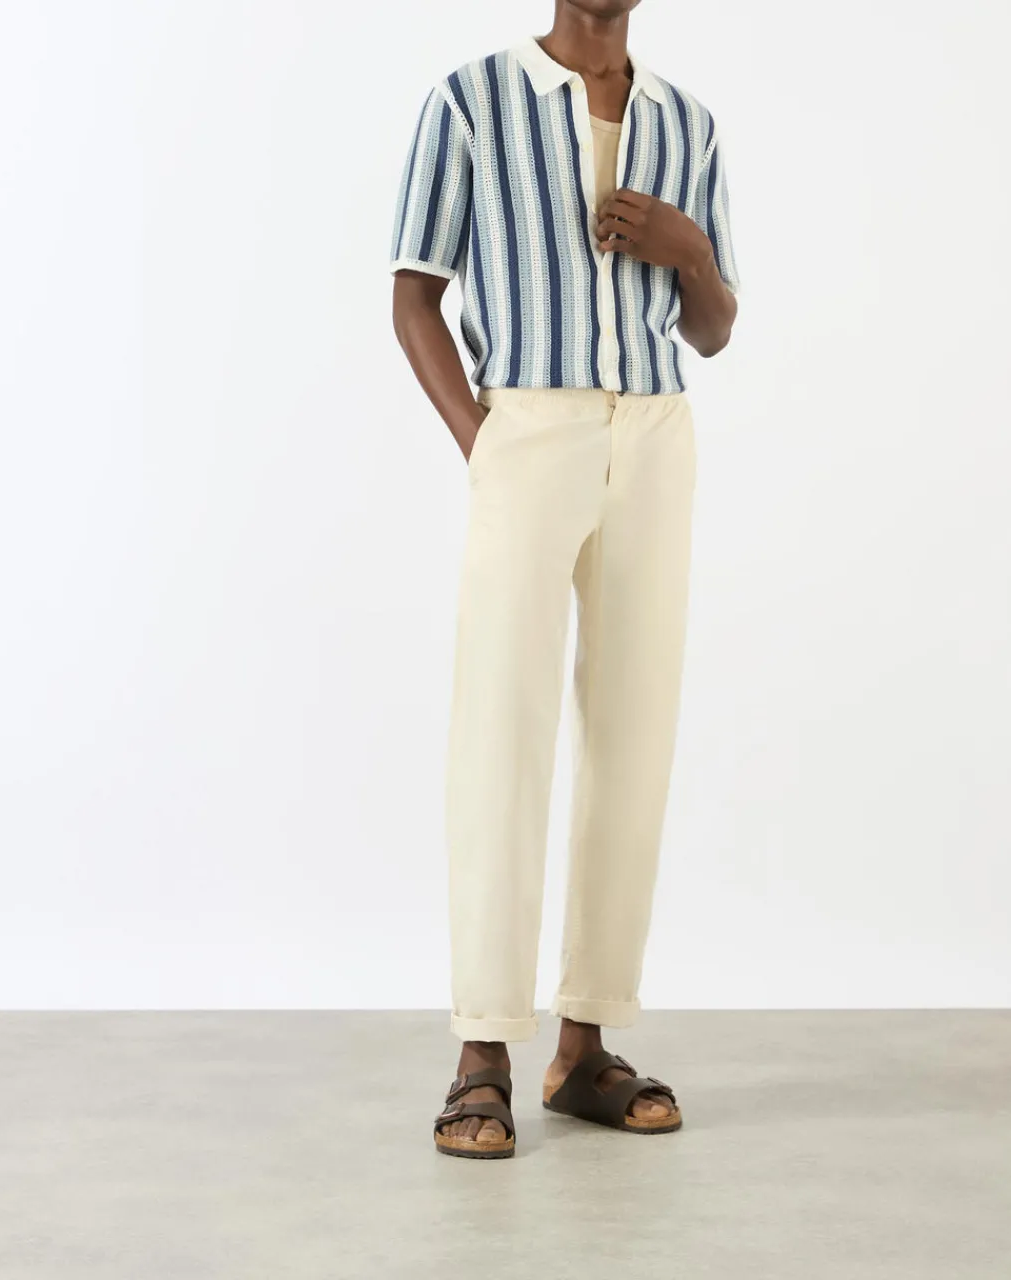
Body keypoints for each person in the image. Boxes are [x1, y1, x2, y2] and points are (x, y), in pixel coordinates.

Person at [390, 0, 738, 1159]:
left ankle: (583, 1041)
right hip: (526, 423)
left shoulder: (686, 124)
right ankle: (481, 1048)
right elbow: (413, 294)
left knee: (633, 729)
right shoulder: (471, 102)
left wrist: (689, 253)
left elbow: (713, 328)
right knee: (501, 723)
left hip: (654, 431)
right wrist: (482, 440)